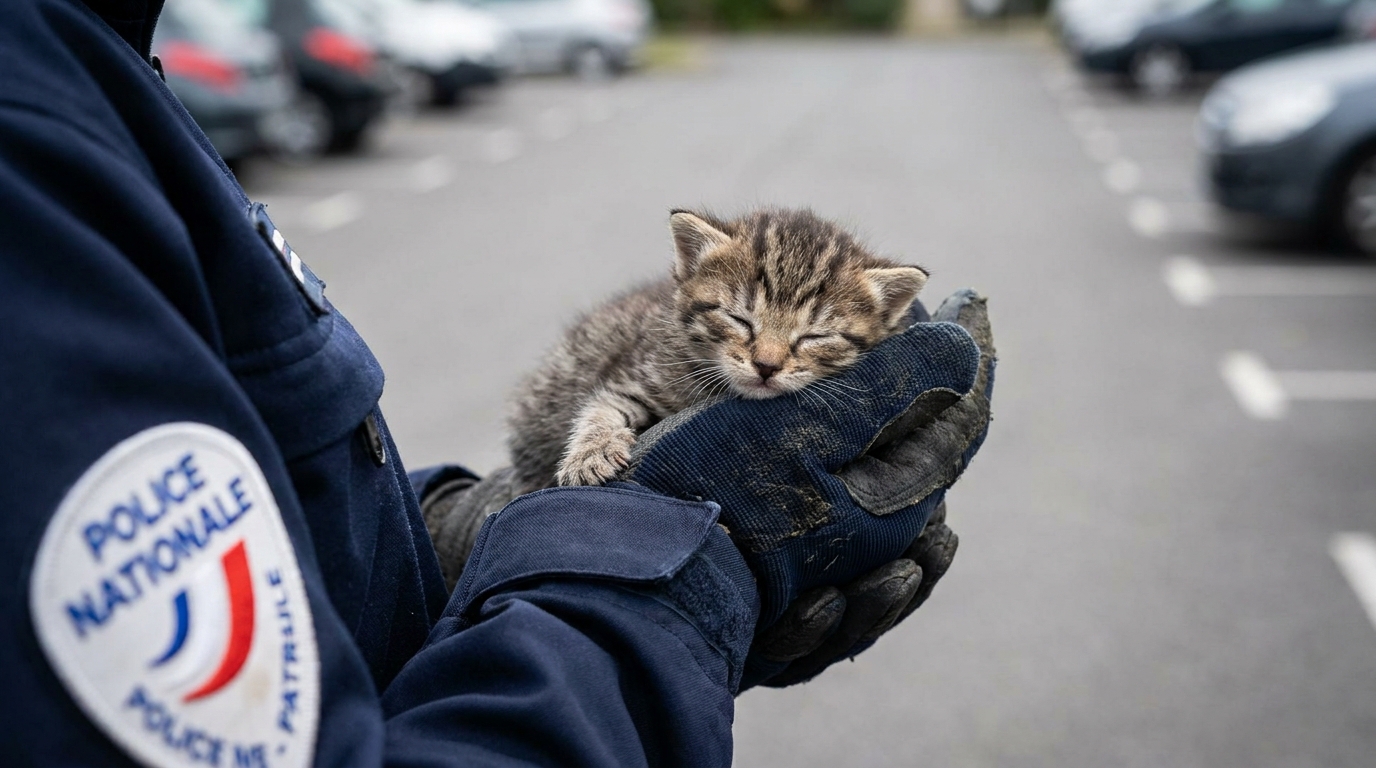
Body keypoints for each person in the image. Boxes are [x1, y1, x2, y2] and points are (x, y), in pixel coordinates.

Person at [0, 0, 995, 764]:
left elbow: (267, 502)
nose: (769, 357)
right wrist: (661, 589)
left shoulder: (92, 56)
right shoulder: (32, 121)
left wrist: (454, 546)